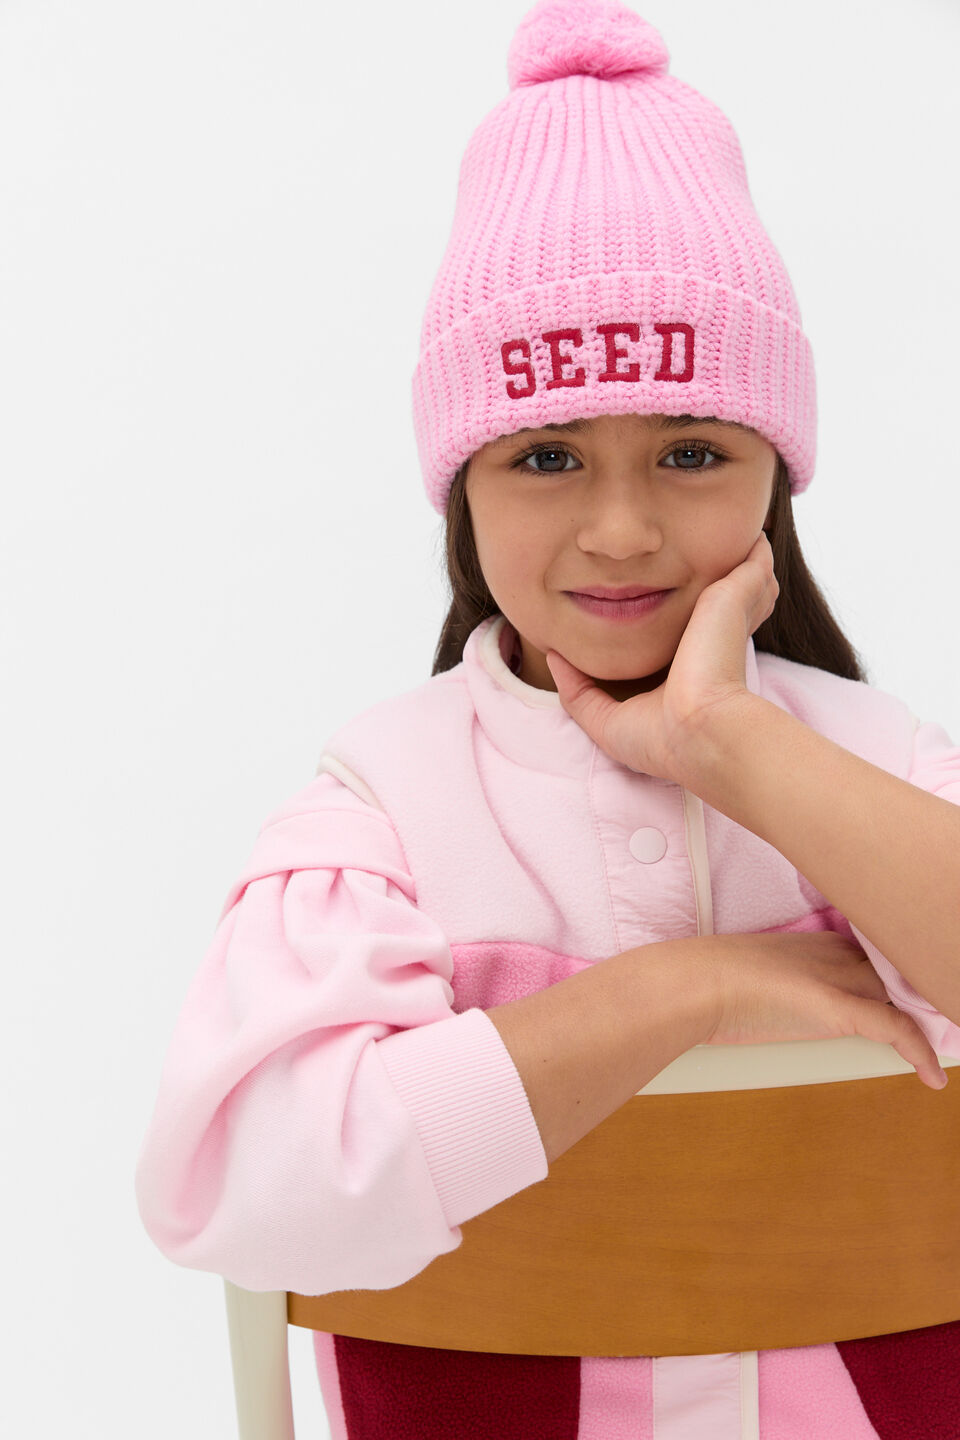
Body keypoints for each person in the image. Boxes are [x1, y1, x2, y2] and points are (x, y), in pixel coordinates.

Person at [134, 1, 960, 1434]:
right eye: (548, 456)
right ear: (463, 486)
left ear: (779, 472)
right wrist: (677, 993)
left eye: (693, 450)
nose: (623, 528)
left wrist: (736, 745)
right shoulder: (384, 814)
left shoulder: (873, 772)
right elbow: (231, 1193)